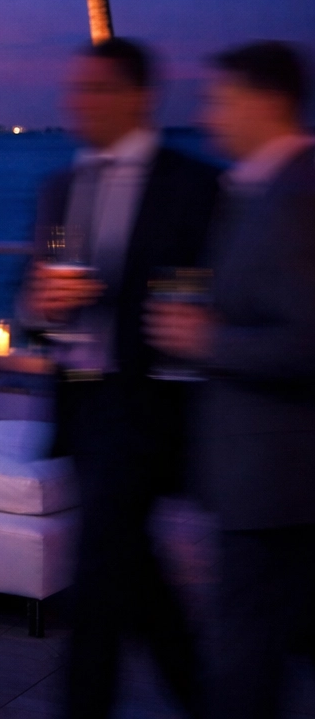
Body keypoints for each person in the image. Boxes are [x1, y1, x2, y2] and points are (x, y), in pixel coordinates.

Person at [22, 38, 217, 719]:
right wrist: (38, 307)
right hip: (82, 406)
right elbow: (34, 296)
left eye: (98, 89)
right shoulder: (62, 187)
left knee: (99, 582)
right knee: (134, 573)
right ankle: (210, 696)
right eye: (77, 89)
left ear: (139, 97)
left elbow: (209, 296)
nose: (81, 103)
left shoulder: (189, 186)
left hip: (148, 409)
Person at [146, 41, 314, 719]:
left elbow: (307, 339)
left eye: (220, 99)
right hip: (258, 480)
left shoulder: (299, 194)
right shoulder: (257, 189)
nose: (210, 114)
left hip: (277, 481)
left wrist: (207, 339)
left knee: (245, 663)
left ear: (264, 100)